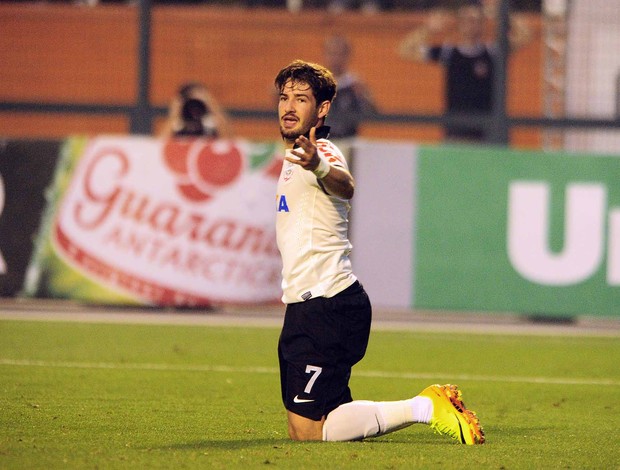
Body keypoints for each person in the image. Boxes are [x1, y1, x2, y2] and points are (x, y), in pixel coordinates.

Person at [273, 59, 485, 443]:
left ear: (321, 109)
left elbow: (346, 183)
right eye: (285, 97)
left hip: (326, 304)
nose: (289, 106)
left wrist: (319, 165)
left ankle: (424, 406)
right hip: (311, 305)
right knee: (315, 423)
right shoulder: (294, 158)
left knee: (307, 431)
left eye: (301, 99)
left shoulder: (321, 153)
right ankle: (419, 407)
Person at [398, 0, 531, 142]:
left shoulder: (492, 52)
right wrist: (428, 29)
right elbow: (405, 50)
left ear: (482, 24)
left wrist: (502, 15)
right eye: (465, 19)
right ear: (459, 23)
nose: (470, 24)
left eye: (474, 20)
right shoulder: (448, 52)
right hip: (457, 131)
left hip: (489, 131)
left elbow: (525, 36)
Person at [321, 35, 378, 140]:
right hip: (320, 142)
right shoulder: (315, 83)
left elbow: (373, 113)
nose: (336, 58)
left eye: (340, 54)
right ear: (325, 54)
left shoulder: (355, 84)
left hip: (347, 141)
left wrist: (364, 96)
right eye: (332, 53)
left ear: (347, 56)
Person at [159, 82, 234, 139]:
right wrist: (174, 115)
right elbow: (159, 147)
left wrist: (213, 107)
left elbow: (230, 142)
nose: (194, 109)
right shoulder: (177, 125)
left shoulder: (211, 123)